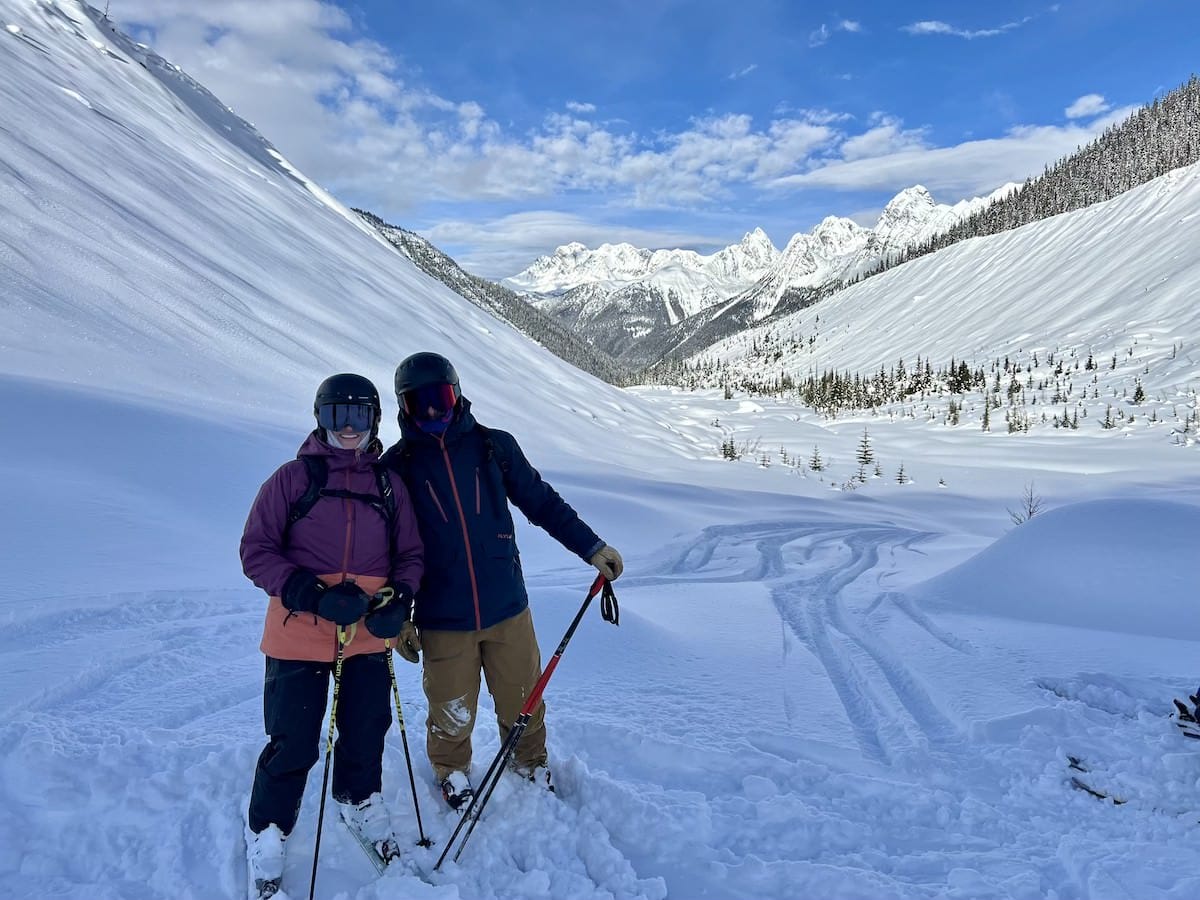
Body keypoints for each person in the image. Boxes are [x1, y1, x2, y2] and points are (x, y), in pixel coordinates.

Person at [381, 352, 623, 812]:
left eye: (441, 397)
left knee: (523, 699)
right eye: (419, 403)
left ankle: (530, 761)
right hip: (441, 616)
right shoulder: (399, 468)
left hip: (507, 606)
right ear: (403, 408)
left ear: (457, 394)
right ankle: (451, 770)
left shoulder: (493, 447)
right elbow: (392, 550)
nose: (433, 411)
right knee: (451, 708)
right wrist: (398, 617)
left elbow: (542, 503)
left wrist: (592, 547)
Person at [239, 374, 424, 896]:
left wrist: (399, 601)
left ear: (374, 421)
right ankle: (268, 828)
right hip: (300, 630)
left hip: (368, 630)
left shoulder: (389, 487)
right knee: (293, 738)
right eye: (337, 416)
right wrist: (312, 594)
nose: (348, 428)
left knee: (366, 727)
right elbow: (256, 551)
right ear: (319, 418)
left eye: (359, 416)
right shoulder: (292, 480)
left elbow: (411, 554)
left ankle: (358, 798)